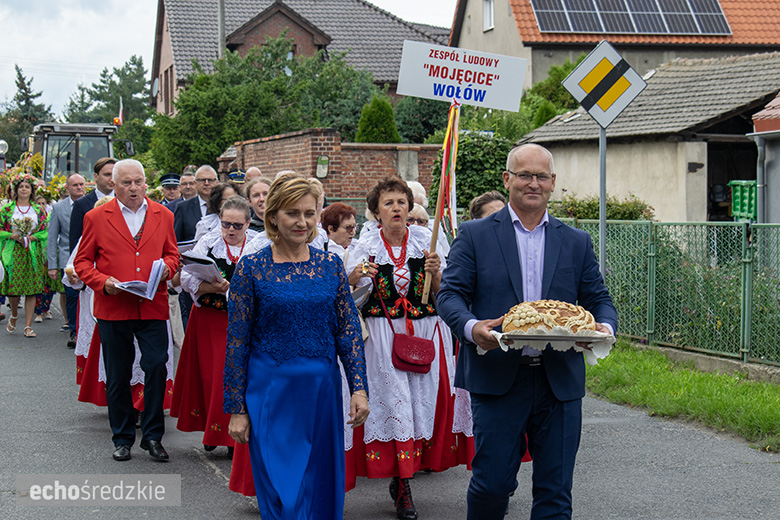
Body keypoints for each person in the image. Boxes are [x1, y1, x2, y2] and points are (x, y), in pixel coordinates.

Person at [437, 143, 618, 520]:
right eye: (524, 175)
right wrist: (472, 328)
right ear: (508, 180)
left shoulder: (576, 241)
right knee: (492, 484)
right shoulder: (474, 235)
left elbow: (599, 298)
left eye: (541, 176)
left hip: (560, 382)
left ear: (553, 183)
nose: (532, 183)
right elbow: (450, 295)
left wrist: (605, 327)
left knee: (555, 492)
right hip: (498, 378)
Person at [224, 174, 369, 519]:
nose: (302, 222)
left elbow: (348, 333)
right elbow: (237, 342)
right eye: (292, 213)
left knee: (319, 485)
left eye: (309, 213)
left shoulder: (331, 266)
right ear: (272, 216)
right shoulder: (251, 269)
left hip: (321, 392)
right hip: (270, 393)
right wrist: (237, 408)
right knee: (283, 492)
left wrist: (359, 389)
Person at [345, 176, 473, 520]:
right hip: (383, 339)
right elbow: (347, 297)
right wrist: (356, 276)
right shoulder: (365, 247)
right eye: (388, 203)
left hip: (425, 334)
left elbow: (443, 296)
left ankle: (409, 470)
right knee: (393, 404)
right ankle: (402, 485)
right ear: (376, 212)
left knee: (419, 406)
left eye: (402, 202)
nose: (397, 208)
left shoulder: (426, 243)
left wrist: (437, 273)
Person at [74, 159, 179, 462]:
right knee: (118, 375)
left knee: (156, 365)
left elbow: (172, 254)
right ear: (114, 185)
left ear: (147, 183)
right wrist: (102, 282)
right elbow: (82, 262)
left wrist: (166, 268)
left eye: (138, 182)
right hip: (113, 307)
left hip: (151, 305)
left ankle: (153, 436)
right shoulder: (96, 217)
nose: (133, 188)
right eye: (126, 183)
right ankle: (122, 438)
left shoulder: (163, 214)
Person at [171, 195, 257, 454]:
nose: (230, 230)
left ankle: (234, 439)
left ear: (248, 223)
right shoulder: (208, 243)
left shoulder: (258, 245)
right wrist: (213, 286)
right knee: (215, 377)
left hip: (245, 322)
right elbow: (184, 279)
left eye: (237, 226)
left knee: (242, 377)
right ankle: (213, 430)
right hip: (211, 318)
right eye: (225, 224)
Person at [0, 175, 49, 338]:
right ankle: (14, 314)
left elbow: (45, 230)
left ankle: (28, 326)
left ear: (32, 190)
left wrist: (33, 237)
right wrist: (11, 235)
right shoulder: (7, 210)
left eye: (27, 187)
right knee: (13, 289)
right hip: (13, 252)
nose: (24, 189)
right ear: (16, 189)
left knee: (32, 289)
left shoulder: (38, 210)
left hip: (31, 252)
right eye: (21, 186)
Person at [47, 173, 86, 342]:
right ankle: (74, 331)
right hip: (67, 258)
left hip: (90, 257)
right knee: (72, 295)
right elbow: (52, 237)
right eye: (75, 185)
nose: (79, 188)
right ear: (67, 188)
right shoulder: (59, 208)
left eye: (82, 184)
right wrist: (52, 266)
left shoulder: (91, 204)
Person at [69, 157, 116, 253]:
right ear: (96, 176)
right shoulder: (81, 204)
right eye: (107, 175)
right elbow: (75, 240)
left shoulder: (124, 200)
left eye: (114, 175)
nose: (111, 179)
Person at [174, 165, 218, 243]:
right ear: (195, 183)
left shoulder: (224, 206)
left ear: (217, 182)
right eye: (202, 180)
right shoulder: (183, 208)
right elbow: (176, 241)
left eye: (210, 180)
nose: (206, 183)